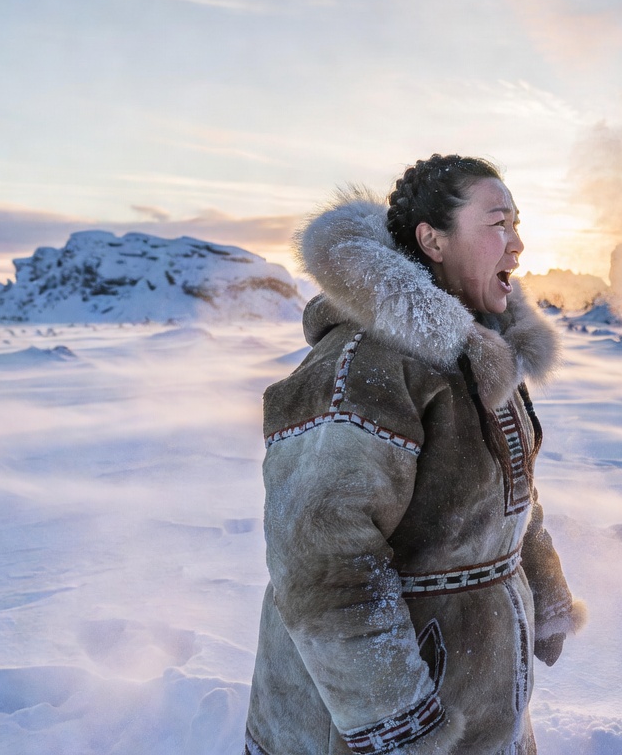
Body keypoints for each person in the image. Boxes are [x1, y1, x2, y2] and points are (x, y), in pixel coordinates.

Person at [245, 154, 586, 755]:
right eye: (498, 223)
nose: (518, 244)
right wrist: (398, 725)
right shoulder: (362, 365)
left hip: (480, 694)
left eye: (517, 223)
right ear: (432, 240)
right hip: (372, 724)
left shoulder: (482, 354)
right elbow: (324, 564)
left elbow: (509, 495)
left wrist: (544, 589)